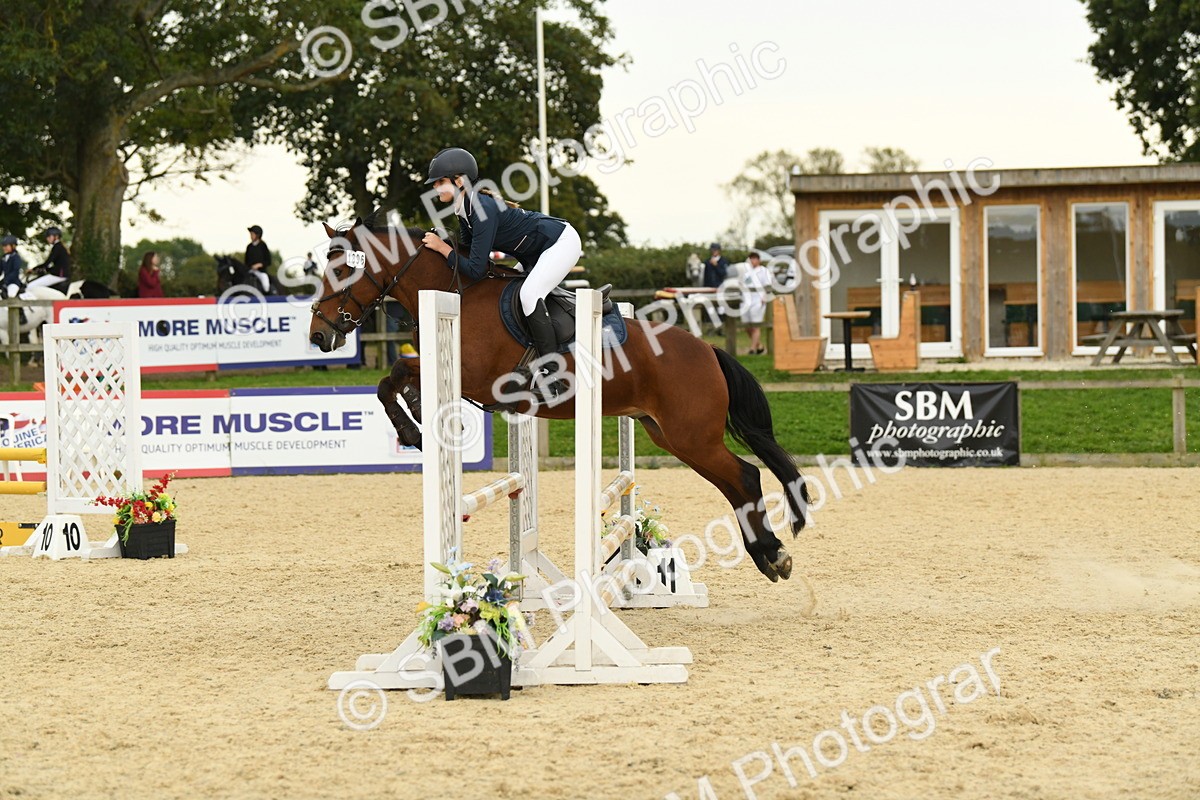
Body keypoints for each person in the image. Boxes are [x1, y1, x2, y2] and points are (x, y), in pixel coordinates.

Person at [419, 147, 582, 395]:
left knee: (529, 295)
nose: (435, 187)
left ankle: (554, 377)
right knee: (511, 292)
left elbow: (475, 268)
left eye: (440, 181)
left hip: (561, 242)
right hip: (533, 253)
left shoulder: (481, 208)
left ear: (459, 180)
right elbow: (468, 254)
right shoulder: (464, 209)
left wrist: (442, 248)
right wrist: (446, 245)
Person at [741, 251, 772, 354]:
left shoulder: (764, 271)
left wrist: (764, 297)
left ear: (759, 260)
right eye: (751, 259)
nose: (753, 261)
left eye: (755, 259)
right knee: (747, 326)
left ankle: (752, 349)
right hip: (746, 301)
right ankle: (759, 345)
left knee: (755, 325)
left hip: (758, 301)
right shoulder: (746, 272)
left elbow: (767, 286)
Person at [244, 225, 271, 294]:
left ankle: (267, 296)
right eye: (250, 234)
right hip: (250, 271)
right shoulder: (249, 247)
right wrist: (250, 266)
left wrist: (259, 265)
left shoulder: (263, 245)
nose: (251, 236)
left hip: (261, 272)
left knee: (266, 285)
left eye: (252, 234)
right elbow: (246, 261)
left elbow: (268, 261)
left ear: (258, 235)